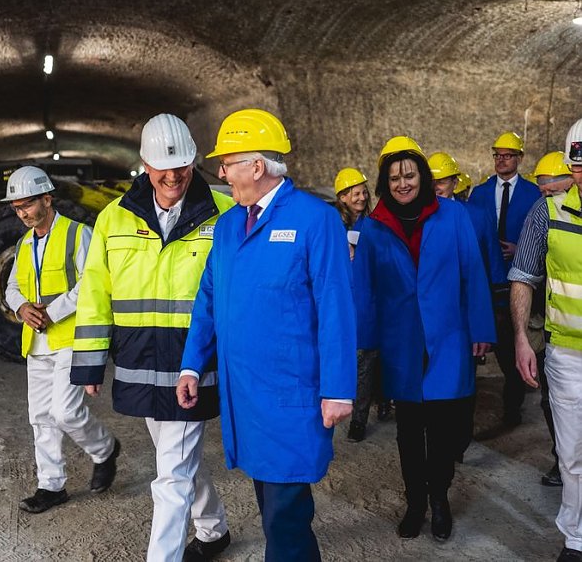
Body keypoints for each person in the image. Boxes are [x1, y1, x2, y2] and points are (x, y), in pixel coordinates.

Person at [178, 109, 357, 561]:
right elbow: (208, 300)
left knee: (285, 514)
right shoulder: (228, 226)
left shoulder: (315, 220)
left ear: (257, 167)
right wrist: (191, 363)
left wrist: (338, 389)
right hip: (247, 395)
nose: (220, 173)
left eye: (228, 162)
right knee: (270, 503)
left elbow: (336, 308)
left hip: (290, 395)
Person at [70, 114, 234, 562]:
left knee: (171, 475)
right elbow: (95, 294)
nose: (173, 175)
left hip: (193, 364)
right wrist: (88, 363)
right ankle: (214, 529)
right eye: (163, 166)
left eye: (182, 164)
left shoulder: (225, 214)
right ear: (144, 163)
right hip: (139, 362)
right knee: (175, 456)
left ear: (194, 161)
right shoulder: (113, 219)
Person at [353, 136, 495, 542]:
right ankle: (416, 503)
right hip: (402, 345)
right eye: (394, 177)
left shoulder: (452, 216)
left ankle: (440, 498)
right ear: (385, 181)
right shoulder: (375, 227)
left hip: (449, 338)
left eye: (409, 174)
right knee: (409, 431)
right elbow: (364, 290)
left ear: (423, 176)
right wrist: (365, 340)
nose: (402, 183)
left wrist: (482, 329)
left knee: (445, 428)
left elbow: (472, 272)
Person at [3, 166, 120, 514]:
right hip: (36, 342)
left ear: (47, 198)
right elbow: (12, 288)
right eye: (17, 208)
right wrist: (22, 307)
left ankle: (105, 450)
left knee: (65, 412)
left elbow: (92, 282)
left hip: (70, 337)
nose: (23, 213)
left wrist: (54, 311)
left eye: (28, 205)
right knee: (40, 416)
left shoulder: (77, 234)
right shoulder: (24, 243)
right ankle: (51, 486)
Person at [510, 120, 582, 562]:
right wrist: (520, 337)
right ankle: (576, 537)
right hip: (568, 356)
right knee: (572, 454)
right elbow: (523, 276)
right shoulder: (548, 212)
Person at [429, 151, 506, 460]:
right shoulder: (417, 219)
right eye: (431, 181)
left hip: (466, 314)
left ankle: (459, 439)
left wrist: (488, 319)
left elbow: (489, 268)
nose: (436, 187)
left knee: (465, 380)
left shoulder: (475, 216)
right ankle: (440, 440)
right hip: (434, 316)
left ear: (455, 183)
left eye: (443, 181)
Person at [467, 131, 541, 435]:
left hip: (520, 278)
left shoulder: (533, 194)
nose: (501, 159)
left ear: (519, 159)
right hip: (488, 281)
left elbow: (538, 233)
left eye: (508, 155)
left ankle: (512, 410)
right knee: (486, 343)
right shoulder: (480, 193)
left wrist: (517, 248)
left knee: (513, 350)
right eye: (497, 154)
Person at [525, 151, 575, 487]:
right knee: (551, 400)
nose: (547, 199)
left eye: (552, 191)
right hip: (548, 325)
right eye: (542, 192)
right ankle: (563, 459)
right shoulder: (542, 214)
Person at [333, 166, 390, 442]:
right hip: (341, 302)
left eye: (363, 192)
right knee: (350, 361)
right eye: (355, 193)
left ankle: (360, 419)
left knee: (368, 360)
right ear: (342, 197)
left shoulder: (374, 224)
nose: (361, 197)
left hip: (369, 300)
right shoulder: (331, 226)